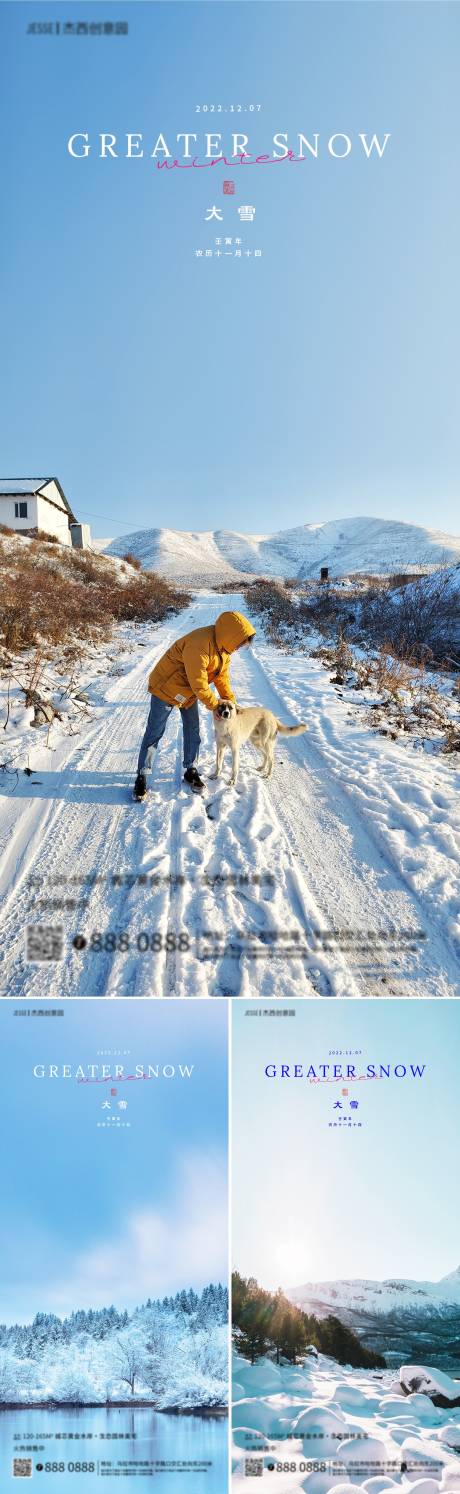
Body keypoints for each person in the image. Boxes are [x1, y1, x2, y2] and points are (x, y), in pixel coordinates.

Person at [133, 609, 256, 799]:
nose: (240, 647)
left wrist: (232, 703)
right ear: (232, 636)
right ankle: (142, 775)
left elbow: (222, 678)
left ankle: (191, 770)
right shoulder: (199, 644)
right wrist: (216, 705)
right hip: (165, 687)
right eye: (240, 643)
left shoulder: (224, 650)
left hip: (187, 692)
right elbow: (199, 682)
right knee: (155, 731)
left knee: (193, 729)